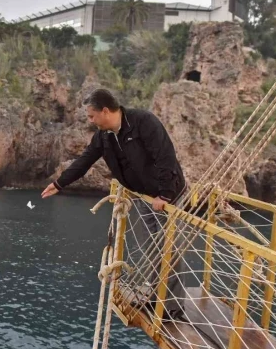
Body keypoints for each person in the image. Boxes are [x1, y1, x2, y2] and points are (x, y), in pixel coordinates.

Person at [41, 89, 187, 319]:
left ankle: (173, 307)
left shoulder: (144, 123)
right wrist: (60, 184)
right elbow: (85, 160)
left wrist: (166, 195)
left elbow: (165, 157)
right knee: (152, 249)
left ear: (105, 111)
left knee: (169, 249)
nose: (90, 121)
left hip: (167, 197)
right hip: (144, 196)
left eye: (91, 116)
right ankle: (155, 296)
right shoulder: (104, 137)